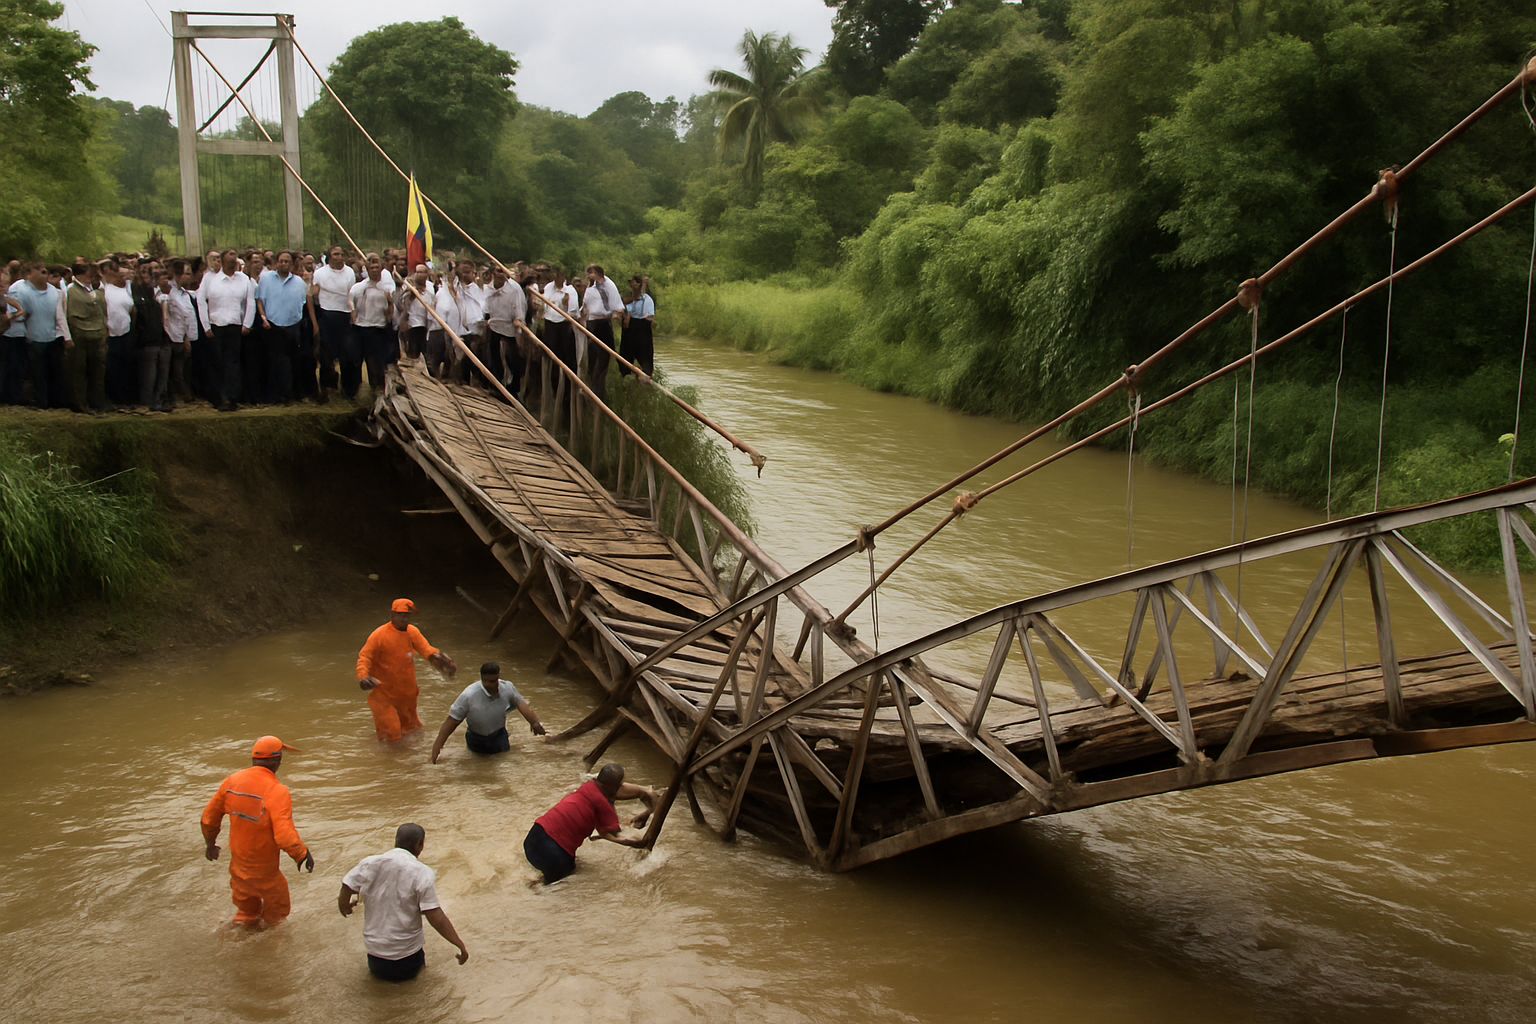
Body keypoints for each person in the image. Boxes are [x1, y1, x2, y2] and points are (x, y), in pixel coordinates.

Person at [201, 735, 315, 928]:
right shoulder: (277, 790)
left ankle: (234, 941)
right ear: (278, 760)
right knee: (276, 921)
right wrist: (302, 854)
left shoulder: (232, 781)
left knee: (246, 914)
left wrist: (210, 845)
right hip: (266, 873)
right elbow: (284, 834)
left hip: (239, 869)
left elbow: (208, 819)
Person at [339, 823, 468, 981]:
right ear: (419, 844)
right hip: (407, 955)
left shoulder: (369, 863)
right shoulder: (421, 872)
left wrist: (344, 905)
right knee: (416, 991)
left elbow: (347, 885)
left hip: (375, 953)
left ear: (396, 841)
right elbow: (436, 917)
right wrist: (459, 944)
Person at [523, 764, 657, 884]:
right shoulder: (603, 804)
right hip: (553, 852)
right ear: (608, 787)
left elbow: (619, 791)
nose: (620, 788)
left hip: (533, 838)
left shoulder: (588, 786)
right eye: (618, 786)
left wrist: (644, 792)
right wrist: (637, 843)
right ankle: (538, 886)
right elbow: (615, 834)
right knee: (564, 879)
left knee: (568, 870)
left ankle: (535, 883)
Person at [356, 598, 458, 742]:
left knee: (412, 731)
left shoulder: (412, 632)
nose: (404, 619)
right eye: (401, 616)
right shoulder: (379, 635)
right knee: (391, 736)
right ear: (392, 615)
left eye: (407, 616)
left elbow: (426, 649)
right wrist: (362, 676)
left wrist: (438, 657)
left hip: (407, 695)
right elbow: (365, 657)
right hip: (384, 695)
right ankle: (389, 763)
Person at [429, 661, 545, 762]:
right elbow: (453, 720)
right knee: (479, 769)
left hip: (499, 737)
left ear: (498, 677)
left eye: (494, 681)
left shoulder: (507, 687)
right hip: (476, 739)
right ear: (481, 679)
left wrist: (534, 722)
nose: (490, 685)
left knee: (504, 763)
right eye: (487, 681)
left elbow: (521, 704)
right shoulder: (469, 695)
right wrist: (438, 746)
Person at [198, 249, 255, 412]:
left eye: (234, 256)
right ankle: (218, 397)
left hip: (235, 325)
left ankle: (231, 397)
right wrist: (206, 325)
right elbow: (201, 301)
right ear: (222, 260)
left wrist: (247, 323)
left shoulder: (244, 279)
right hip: (216, 325)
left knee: (233, 363)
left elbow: (250, 302)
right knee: (217, 363)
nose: (233, 258)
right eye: (229, 255)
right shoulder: (210, 279)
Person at [255, 249, 307, 404]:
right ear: (277, 262)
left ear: (291, 264)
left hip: (293, 326)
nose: (284, 264)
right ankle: (278, 395)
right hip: (273, 326)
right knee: (277, 363)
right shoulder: (265, 278)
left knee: (293, 362)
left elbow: (303, 303)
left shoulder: (299, 282)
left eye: (287, 261)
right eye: (282, 261)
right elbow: (259, 300)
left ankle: (291, 393)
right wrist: (263, 317)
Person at [311, 245, 359, 401]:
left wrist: (353, 311)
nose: (339, 257)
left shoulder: (349, 272)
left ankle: (349, 390)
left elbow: (351, 293)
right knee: (326, 355)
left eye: (341, 254)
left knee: (348, 354)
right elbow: (314, 294)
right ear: (329, 257)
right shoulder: (320, 273)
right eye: (335, 254)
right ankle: (328, 388)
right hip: (327, 314)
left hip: (344, 314)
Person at [63, 262, 107, 412]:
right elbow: (64, 313)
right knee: (79, 370)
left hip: (96, 334)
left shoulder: (94, 290)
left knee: (96, 371)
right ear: (80, 275)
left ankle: (97, 403)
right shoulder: (69, 290)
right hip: (79, 335)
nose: (91, 278)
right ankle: (80, 404)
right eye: (89, 275)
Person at [349, 252, 396, 390]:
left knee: (375, 361)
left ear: (381, 269)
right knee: (356, 359)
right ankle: (356, 388)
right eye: (371, 268)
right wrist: (353, 310)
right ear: (367, 270)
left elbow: (390, 312)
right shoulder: (359, 287)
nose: (374, 270)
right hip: (360, 327)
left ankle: (377, 387)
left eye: (377, 267)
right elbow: (350, 300)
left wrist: (390, 303)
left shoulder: (387, 288)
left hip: (378, 328)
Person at [581, 264, 624, 400]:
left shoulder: (608, 285)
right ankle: (590, 386)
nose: (590, 275)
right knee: (591, 355)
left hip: (603, 323)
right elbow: (585, 306)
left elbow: (617, 304)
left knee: (604, 356)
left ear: (598, 273)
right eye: (589, 273)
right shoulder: (590, 287)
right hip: (591, 323)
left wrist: (616, 313)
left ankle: (598, 390)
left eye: (592, 273)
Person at [482, 264, 527, 396]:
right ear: (493, 273)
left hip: (509, 328)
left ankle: (512, 389)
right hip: (494, 326)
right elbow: (485, 307)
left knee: (511, 359)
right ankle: (496, 386)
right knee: (494, 358)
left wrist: (518, 319)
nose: (500, 274)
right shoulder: (489, 289)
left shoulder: (514, 289)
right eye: (498, 271)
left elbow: (519, 308)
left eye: (503, 271)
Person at [620, 274, 656, 378]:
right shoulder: (627, 300)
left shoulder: (647, 300)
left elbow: (649, 318)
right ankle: (625, 383)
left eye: (635, 282)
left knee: (646, 363)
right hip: (628, 333)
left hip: (642, 334)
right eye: (631, 282)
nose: (633, 284)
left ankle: (645, 383)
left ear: (640, 284)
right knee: (624, 362)